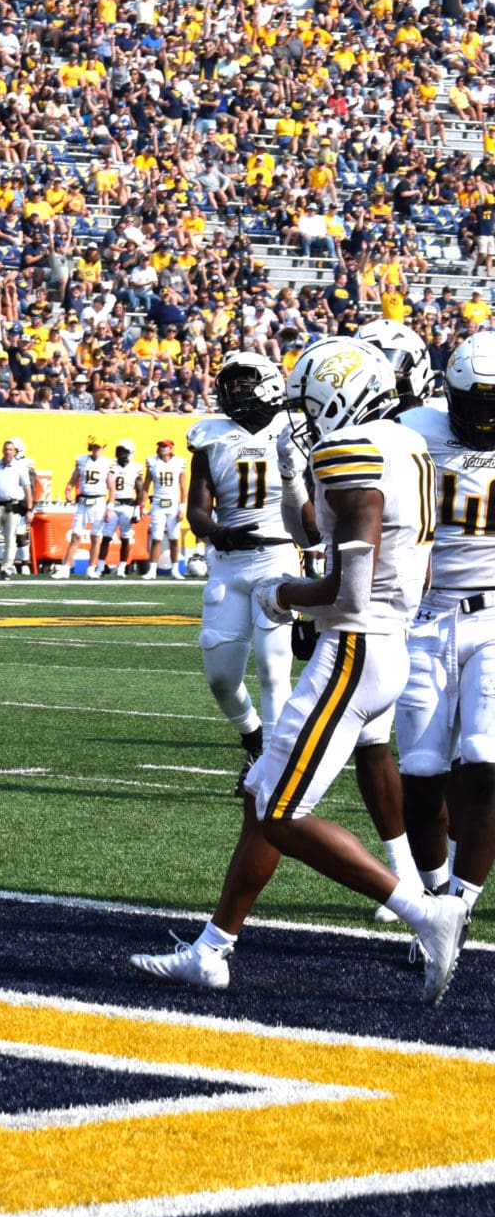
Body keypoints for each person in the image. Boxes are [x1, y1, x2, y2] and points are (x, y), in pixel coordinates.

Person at [133, 338, 470, 1003]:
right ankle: (213, 948)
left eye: (312, 402)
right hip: (389, 643)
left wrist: (281, 595)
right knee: (263, 788)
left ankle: (424, 911)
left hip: (354, 648)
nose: (306, 417)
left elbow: (345, 587)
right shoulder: (407, 444)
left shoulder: (353, 449)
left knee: (280, 809)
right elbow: (362, 546)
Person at [396, 334, 495, 925]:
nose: (485, 418)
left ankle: (458, 906)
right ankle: (434, 905)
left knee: (486, 762)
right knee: (422, 776)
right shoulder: (414, 431)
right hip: (424, 616)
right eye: (475, 403)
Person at [184, 354, 301, 791]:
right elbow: (197, 509)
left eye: (245, 383)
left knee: (274, 668)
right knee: (220, 677)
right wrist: (220, 533)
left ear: (269, 383)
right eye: (230, 385)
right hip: (228, 563)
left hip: (278, 559)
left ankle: (274, 767)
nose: (236, 392)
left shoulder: (295, 431)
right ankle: (253, 739)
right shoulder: (209, 437)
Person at [0, 438, 38, 577]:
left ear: (15, 451)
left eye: (10, 450)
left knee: (11, 538)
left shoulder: (21, 467)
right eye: (6, 449)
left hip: (12, 506)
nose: (7, 452)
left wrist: (29, 509)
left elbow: (27, 489)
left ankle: (6, 568)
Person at [91, 440, 147, 578]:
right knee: (106, 537)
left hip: (128, 505)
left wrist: (138, 508)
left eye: (124, 451)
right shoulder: (110, 465)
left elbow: (140, 489)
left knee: (125, 538)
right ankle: (100, 566)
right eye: (119, 451)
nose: (120, 454)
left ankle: (122, 567)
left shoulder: (136, 467)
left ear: (130, 453)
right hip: (113, 505)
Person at [55, 437, 109, 578]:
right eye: (94, 446)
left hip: (99, 501)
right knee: (75, 536)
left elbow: (112, 488)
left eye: (99, 446)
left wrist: (110, 507)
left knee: (96, 537)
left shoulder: (108, 463)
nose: (96, 449)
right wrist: (68, 491)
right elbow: (73, 480)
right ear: (90, 447)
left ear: (104, 447)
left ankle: (91, 569)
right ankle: (65, 568)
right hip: (84, 501)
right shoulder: (82, 460)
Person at [147, 439, 186, 579]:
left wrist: (182, 508)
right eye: (160, 446)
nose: (162, 448)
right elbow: (147, 484)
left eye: (165, 446)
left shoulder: (179, 462)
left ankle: (175, 569)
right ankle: (152, 570)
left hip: (173, 504)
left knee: (174, 538)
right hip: (158, 503)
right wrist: (142, 505)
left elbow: (183, 487)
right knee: (156, 537)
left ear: (171, 448)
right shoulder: (152, 462)